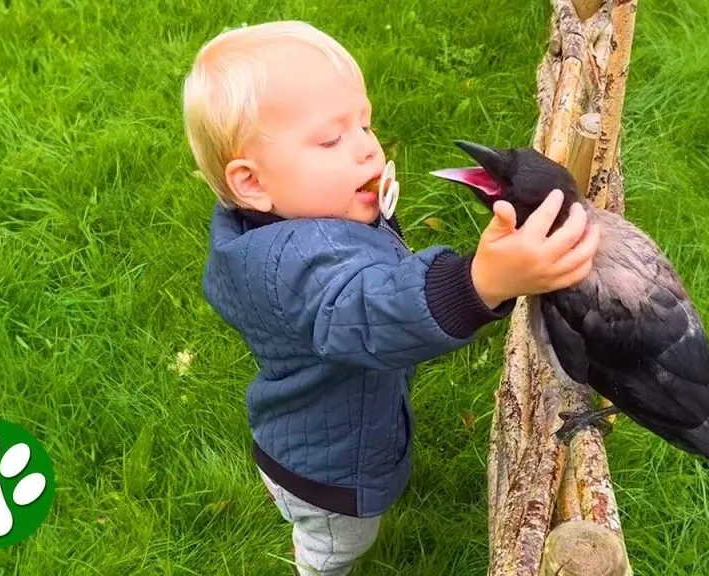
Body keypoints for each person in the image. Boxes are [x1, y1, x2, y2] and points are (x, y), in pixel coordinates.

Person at [182, 20, 600, 575]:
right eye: (331, 139)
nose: (366, 149)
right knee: (337, 547)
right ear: (252, 182)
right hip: (329, 475)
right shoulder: (297, 269)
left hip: (306, 430)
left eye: (365, 124)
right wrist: (479, 282)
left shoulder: (282, 222)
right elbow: (369, 311)